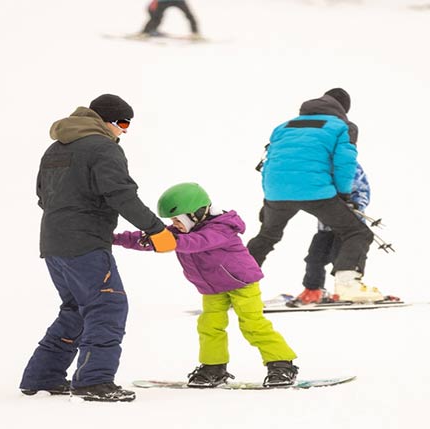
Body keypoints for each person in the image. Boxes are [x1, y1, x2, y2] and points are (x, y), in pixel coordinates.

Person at [19, 94, 178, 403]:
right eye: (122, 123)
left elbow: (42, 196)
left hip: (53, 243)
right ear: (105, 120)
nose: (125, 130)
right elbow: (121, 195)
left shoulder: (55, 149)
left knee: (77, 308)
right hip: (86, 244)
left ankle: (43, 376)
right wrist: (156, 229)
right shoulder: (103, 148)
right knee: (108, 306)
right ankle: (94, 381)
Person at [113, 182, 299, 387]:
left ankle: (282, 364)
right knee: (209, 326)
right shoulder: (181, 232)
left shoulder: (222, 228)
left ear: (196, 213)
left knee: (253, 324)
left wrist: (170, 242)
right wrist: (111, 239)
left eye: (178, 219)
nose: (175, 224)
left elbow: (198, 242)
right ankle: (213, 367)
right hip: (212, 289)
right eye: (173, 221)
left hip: (242, 285)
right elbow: (145, 238)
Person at [247, 88, 384, 303]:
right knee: (357, 233)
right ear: (342, 109)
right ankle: (347, 284)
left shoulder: (284, 127)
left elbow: (270, 163)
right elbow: (344, 163)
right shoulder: (342, 127)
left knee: (266, 237)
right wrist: (342, 195)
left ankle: (236, 285)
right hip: (317, 191)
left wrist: (269, 198)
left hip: (277, 191)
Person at [294, 163, 370, 305]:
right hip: (325, 226)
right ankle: (313, 289)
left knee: (342, 256)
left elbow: (363, 190)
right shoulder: (318, 165)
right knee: (314, 258)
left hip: (349, 227)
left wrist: (356, 204)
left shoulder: (350, 166)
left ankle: (348, 288)